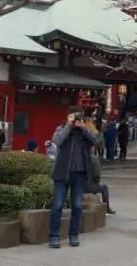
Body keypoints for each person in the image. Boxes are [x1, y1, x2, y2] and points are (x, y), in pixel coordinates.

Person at [49, 107, 98, 249]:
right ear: (68, 116)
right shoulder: (62, 128)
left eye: (79, 116)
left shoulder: (84, 131)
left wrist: (84, 127)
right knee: (58, 205)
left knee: (77, 206)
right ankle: (54, 236)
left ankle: (74, 234)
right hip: (62, 172)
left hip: (80, 173)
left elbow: (95, 140)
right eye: (74, 116)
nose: (76, 119)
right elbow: (57, 140)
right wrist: (69, 125)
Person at [83, 146, 116, 215]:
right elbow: (97, 175)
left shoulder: (79, 158)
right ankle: (107, 208)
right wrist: (96, 183)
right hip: (88, 185)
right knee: (104, 188)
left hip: (77, 185)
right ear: (92, 148)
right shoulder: (94, 158)